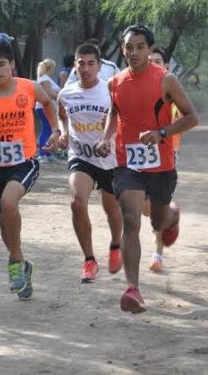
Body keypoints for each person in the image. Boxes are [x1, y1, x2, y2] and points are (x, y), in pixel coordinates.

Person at [95, 25, 198, 313]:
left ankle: (171, 217)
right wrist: (106, 138)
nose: (134, 52)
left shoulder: (166, 80)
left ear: (150, 49)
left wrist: (162, 133)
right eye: (129, 47)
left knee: (157, 222)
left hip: (161, 164)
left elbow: (192, 118)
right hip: (127, 162)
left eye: (140, 46)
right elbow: (114, 113)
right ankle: (133, 290)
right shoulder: (114, 82)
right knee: (131, 220)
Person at [0, 38, 60, 300]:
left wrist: (57, 129)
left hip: (24, 162)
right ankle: (23, 264)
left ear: (12, 65)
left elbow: (49, 103)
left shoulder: (29, 88)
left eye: (1, 64)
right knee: (5, 227)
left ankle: (15, 262)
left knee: (9, 204)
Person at [56, 43, 123, 283]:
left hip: (109, 157)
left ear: (99, 65)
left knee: (112, 209)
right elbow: (62, 114)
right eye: (80, 63)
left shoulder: (110, 91)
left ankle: (116, 245)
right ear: (75, 65)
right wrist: (63, 133)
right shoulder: (67, 93)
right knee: (77, 202)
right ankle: (89, 260)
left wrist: (107, 136)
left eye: (90, 63)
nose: (85, 68)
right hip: (81, 156)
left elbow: (119, 118)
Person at [147, 47, 181, 273]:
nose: (154, 64)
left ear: (166, 66)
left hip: (166, 156)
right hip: (139, 156)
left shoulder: (173, 91)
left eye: (158, 61)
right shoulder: (133, 88)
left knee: (156, 206)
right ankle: (172, 213)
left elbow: (184, 119)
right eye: (151, 61)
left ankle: (157, 254)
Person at [35, 59, 61, 162]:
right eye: (53, 67)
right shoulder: (45, 79)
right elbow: (48, 94)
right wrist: (60, 96)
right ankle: (43, 153)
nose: (54, 70)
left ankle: (47, 152)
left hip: (45, 108)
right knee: (47, 129)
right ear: (50, 68)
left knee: (48, 129)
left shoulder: (44, 78)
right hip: (44, 108)